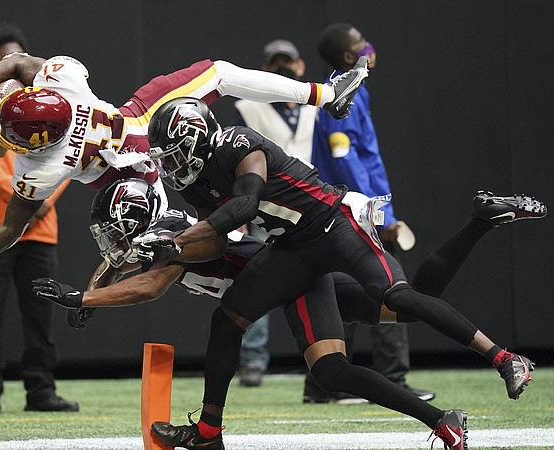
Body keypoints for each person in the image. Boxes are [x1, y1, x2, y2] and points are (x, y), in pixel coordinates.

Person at [138, 97, 538, 450]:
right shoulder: (197, 184)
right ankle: (209, 432)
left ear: (197, 138)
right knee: (237, 325)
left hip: (333, 222)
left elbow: (244, 206)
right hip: (292, 248)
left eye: (174, 154)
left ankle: (504, 358)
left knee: (397, 297)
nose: (171, 165)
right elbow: (217, 239)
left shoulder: (238, 144)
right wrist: (179, 247)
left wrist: (177, 241)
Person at [33, 178, 545, 449]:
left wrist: (83, 299)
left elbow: (150, 284)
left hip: (290, 277)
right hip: (286, 277)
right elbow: (130, 258)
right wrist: (97, 285)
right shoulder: (163, 227)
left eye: (115, 233)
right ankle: (480, 221)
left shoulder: (173, 242)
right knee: (414, 300)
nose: (111, 244)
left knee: (330, 369)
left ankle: (440, 421)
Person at [0, 48, 370, 303]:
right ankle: (325, 93)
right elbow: (19, 61)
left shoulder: (41, 165)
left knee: (170, 254)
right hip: (141, 119)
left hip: (140, 179)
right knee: (220, 73)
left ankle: (273, 279)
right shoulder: (62, 80)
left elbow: (11, 230)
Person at [307, 23, 433, 404]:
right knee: (389, 288)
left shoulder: (354, 92)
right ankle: (384, 377)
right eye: (360, 43)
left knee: (346, 292)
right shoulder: (339, 97)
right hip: (353, 211)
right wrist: (380, 214)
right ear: (349, 57)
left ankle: (323, 385)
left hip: (352, 209)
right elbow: (346, 160)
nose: (368, 47)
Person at [0, 23, 78, 414]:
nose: (11, 64)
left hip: (41, 232)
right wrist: (25, 195)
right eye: (2, 60)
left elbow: (69, 156)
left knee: (40, 316)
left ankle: (41, 391)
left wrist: (43, 194)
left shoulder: (50, 102)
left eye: (17, 57)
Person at [231, 39, 319, 387]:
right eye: (275, 64)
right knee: (256, 280)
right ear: (265, 71)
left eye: (289, 62)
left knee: (320, 282)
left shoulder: (316, 110)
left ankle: (321, 356)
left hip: (313, 207)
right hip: (267, 208)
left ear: (300, 67)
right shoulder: (247, 107)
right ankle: (252, 359)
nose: (283, 68)